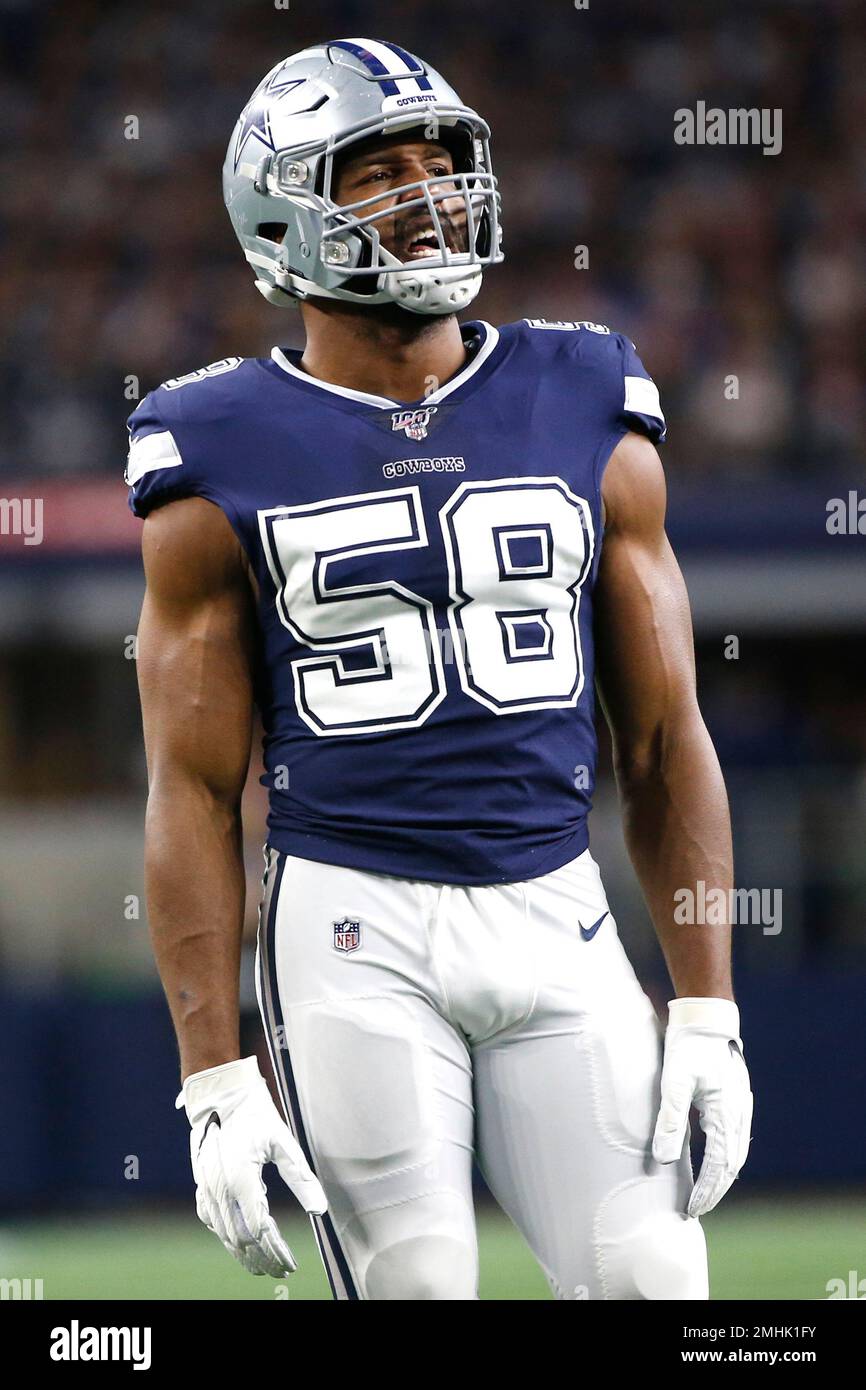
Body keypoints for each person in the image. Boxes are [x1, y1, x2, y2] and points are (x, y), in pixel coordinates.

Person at [128, 37, 752, 1300]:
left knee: (653, 1281)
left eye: (442, 165)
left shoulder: (582, 392)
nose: (429, 197)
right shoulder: (212, 442)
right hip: (351, 926)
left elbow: (662, 736)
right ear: (280, 214)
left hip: (555, 906)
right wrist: (210, 1077)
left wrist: (706, 1005)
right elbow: (189, 789)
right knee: (417, 1289)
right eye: (376, 174)